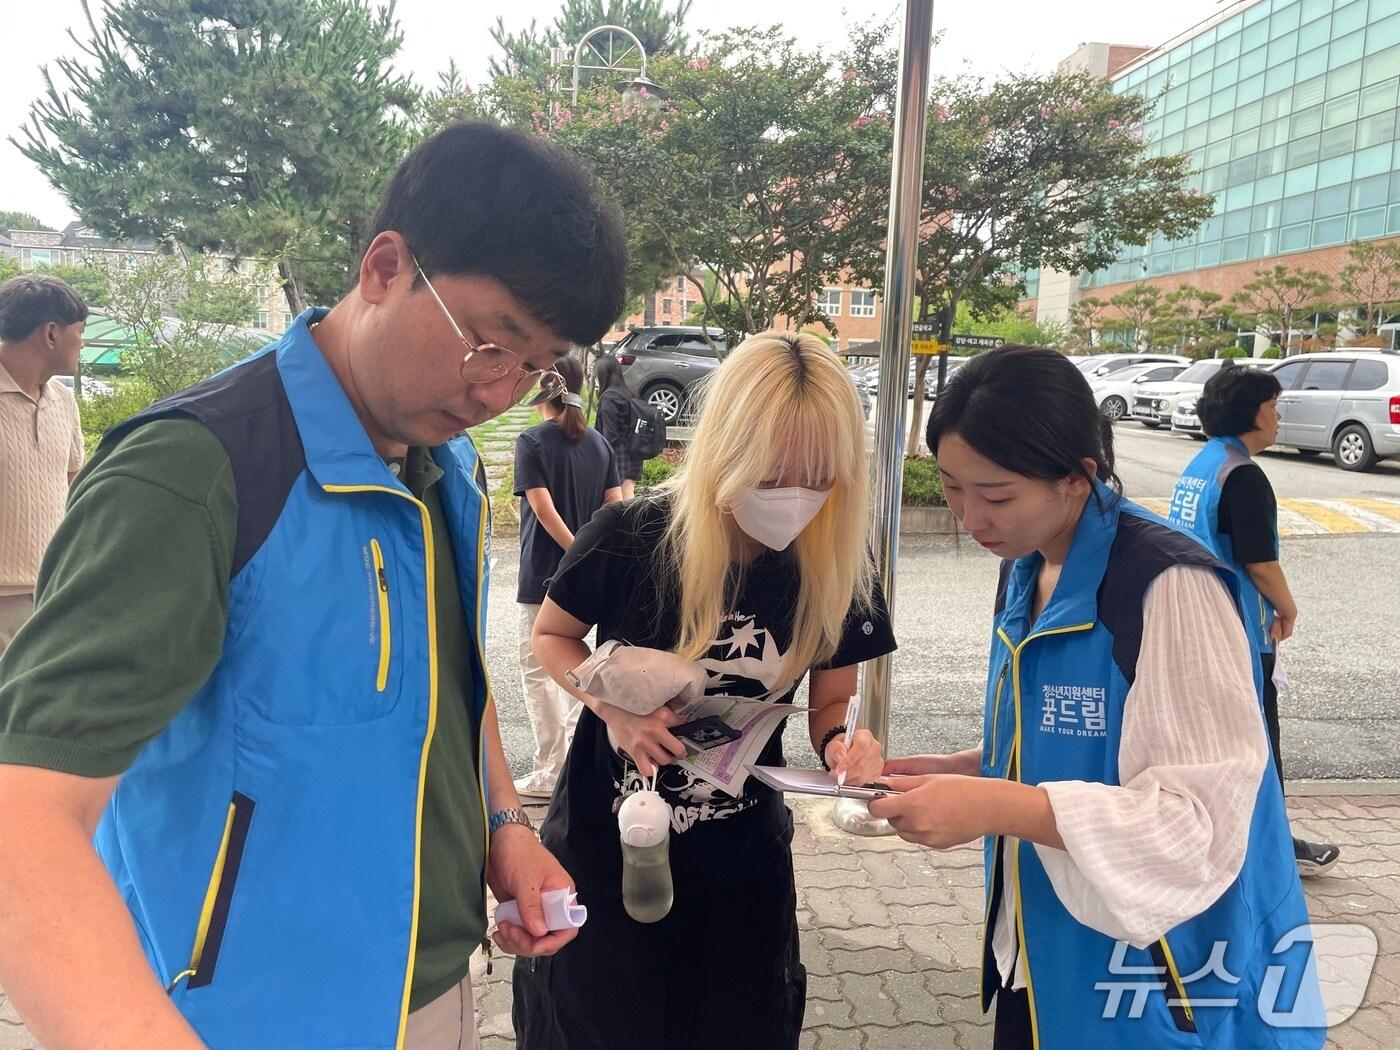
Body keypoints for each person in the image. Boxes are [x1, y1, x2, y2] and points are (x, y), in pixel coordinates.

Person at [0, 122, 627, 1050]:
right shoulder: (193, 473)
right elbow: (25, 821)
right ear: (384, 267)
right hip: (227, 1017)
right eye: (492, 345)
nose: (501, 392)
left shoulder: (445, 470)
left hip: (434, 990)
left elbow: (455, 688)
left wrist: (503, 824)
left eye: (535, 367)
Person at [869, 347, 1322, 1049]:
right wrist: (965, 770)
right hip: (1041, 953)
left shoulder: (1169, 588)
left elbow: (1198, 819)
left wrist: (993, 804)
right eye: (952, 488)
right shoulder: (1030, 562)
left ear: (1079, 477)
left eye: (996, 496)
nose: (968, 517)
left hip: (1160, 976)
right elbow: (1077, 741)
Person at [512, 331, 897, 1050]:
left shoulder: (837, 563)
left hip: (741, 867)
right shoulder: (633, 534)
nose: (794, 494)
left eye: (817, 475)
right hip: (606, 849)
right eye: (774, 469)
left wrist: (846, 742)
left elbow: (830, 704)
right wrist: (611, 709)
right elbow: (552, 637)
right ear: (727, 447)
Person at [1169, 365, 1340, 876]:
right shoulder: (1242, 475)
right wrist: (1289, 607)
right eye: (1273, 405)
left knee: (1213, 744)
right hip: (1236, 633)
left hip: (1196, 625)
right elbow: (1260, 563)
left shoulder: (1202, 464)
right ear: (1251, 413)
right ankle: (1270, 853)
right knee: (1257, 744)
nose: (1279, 415)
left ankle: (1237, 841)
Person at [514, 353, 622, 799]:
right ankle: (577, 767)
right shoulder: (599, 443)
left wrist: (574, 552)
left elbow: (541, 508)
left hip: (543, 574)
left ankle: (550, 769)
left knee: (539, 671)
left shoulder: (532, 441)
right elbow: (615, 506)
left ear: (542, 386)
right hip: (585, 583)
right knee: (579, 668)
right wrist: (592, 558)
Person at [0, 275, 87, 654]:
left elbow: (75, 486)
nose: (82, 342)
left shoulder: (64, 401)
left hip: (53, 595)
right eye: (79, 331)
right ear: (51, 333)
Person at [593, 353, 643, 498]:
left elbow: (610, 434)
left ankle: (625, 521)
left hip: (617, 454)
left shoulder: (609, 397)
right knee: (628, 494)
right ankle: (630, 520)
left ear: (603, 375)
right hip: (633, 452)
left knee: (618, 500)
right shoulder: (629, 392)